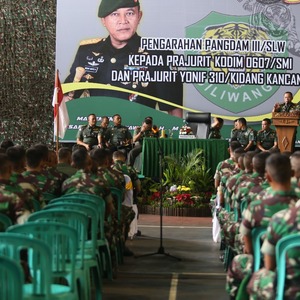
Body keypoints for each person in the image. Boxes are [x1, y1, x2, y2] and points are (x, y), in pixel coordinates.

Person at [63, 0, 183, 117]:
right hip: (95, 133)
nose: (123, 21)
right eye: (115, 14)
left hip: (137, 134)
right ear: (103, 20)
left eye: (130, 13)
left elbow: (174, 114)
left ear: (139, 16)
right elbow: (66, 100)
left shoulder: (159, 55)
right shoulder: (87, 52)